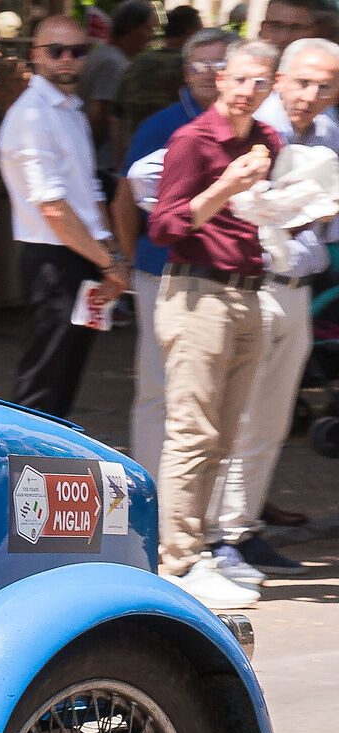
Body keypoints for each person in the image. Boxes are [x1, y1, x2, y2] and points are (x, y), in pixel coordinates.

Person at [150, 39, 283, 607]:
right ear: (220, 78)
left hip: (248, 293)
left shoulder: (267, 140)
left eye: (261, 83)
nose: (248, 91)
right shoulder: (193, 140)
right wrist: (226, 185)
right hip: (197, 293)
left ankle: (197, 550)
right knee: (193, 434)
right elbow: (164, 227)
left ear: (269, 88)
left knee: (223, 437)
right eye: (240, 79)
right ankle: (174, 562)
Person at [208, 36, 339, 570]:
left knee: (271, 421)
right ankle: (213, 537)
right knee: (234, 418)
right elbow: (150, 177)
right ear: (280, 79)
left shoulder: (327, 136)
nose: (310, 95)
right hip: (249, 288)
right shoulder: (248, 128)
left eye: (325, 86)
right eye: (302, 81)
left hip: (297, 288)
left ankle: (241, 529)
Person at [113, 26, 232, 480]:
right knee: (158, 388)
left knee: (216, 392)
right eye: (199, 63)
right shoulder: (162, 125)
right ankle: (148, 489)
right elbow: (124, 200)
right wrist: (125, 260)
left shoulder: (252, 126)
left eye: (219, 64)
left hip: (223, 274)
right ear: (185, 70)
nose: (208, 73)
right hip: (160, 273)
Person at [0, 13, 128, 418]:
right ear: (37, 56)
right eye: (56, 51)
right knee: (43, 380)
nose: (67, 59)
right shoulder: (31, 115)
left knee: (68, 373)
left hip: (83, 255)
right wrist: (109, 262)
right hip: (52, 259)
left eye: (77, 50)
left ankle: (52, 469)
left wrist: (109, 255)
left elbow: (88, 191)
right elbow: (53, 207)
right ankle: (20, 471)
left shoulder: (69, 110)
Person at [84, 1, 158, 180]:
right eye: (148, 28)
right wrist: (86, 159)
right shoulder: (114, 64)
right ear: (130, 28)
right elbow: (99, 116)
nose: (152, 36)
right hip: (103, 168)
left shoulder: (106, 55)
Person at [117, 4, 203, 131]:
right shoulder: (193, 69)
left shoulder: (137, 62)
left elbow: (116, 115)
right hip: (178, 143)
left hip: (138, 143)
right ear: (191, 33)